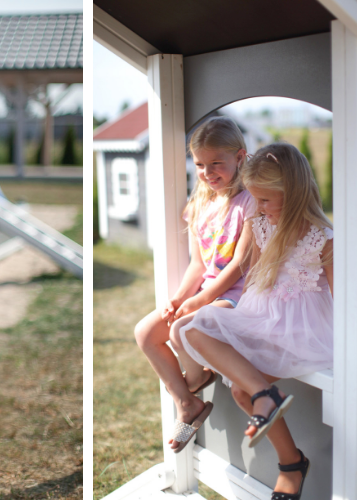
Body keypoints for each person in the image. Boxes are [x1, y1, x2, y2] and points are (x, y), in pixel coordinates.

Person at [172, 143, 357, 499]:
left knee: (243, 389)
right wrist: (234, 318)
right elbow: (256, 276)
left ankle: (291, 462)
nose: (256, 207)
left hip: (304, 328)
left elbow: (351, 292)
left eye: (264, 200)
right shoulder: (259, 225)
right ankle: (266, 396)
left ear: (293, 194)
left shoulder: (323, 237)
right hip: (262, 315)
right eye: (255, 199)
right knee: (191, 328)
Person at [132, 116, 256, 453]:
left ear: (240, 158)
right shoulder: (200, 205)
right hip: (206, 293)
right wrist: (178, 299)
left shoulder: (250, 202)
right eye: (200, 164)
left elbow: (238, 265)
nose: (207, 172)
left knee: (180, 330)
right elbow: (200, 264)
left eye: (217, 163)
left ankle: (198, 379)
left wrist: (199, 301)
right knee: (146, 332)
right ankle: (188, 403)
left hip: (237, 297)